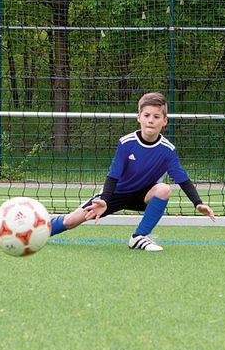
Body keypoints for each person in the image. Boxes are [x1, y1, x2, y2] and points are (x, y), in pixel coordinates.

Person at [49, 92, 215, 251]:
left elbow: (182, 179)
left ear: (164, 121)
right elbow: (113, 175)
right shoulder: (126, 143)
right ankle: (40, 228)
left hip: (142, 196)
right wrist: (105, 199)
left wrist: (198, 203)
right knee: (70, 221)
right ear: (139, 117)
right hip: (115, 194)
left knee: (164, 189)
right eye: (146, 115)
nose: (151, 120)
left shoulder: (167, 150)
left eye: (156, 117)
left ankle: (139, 236)